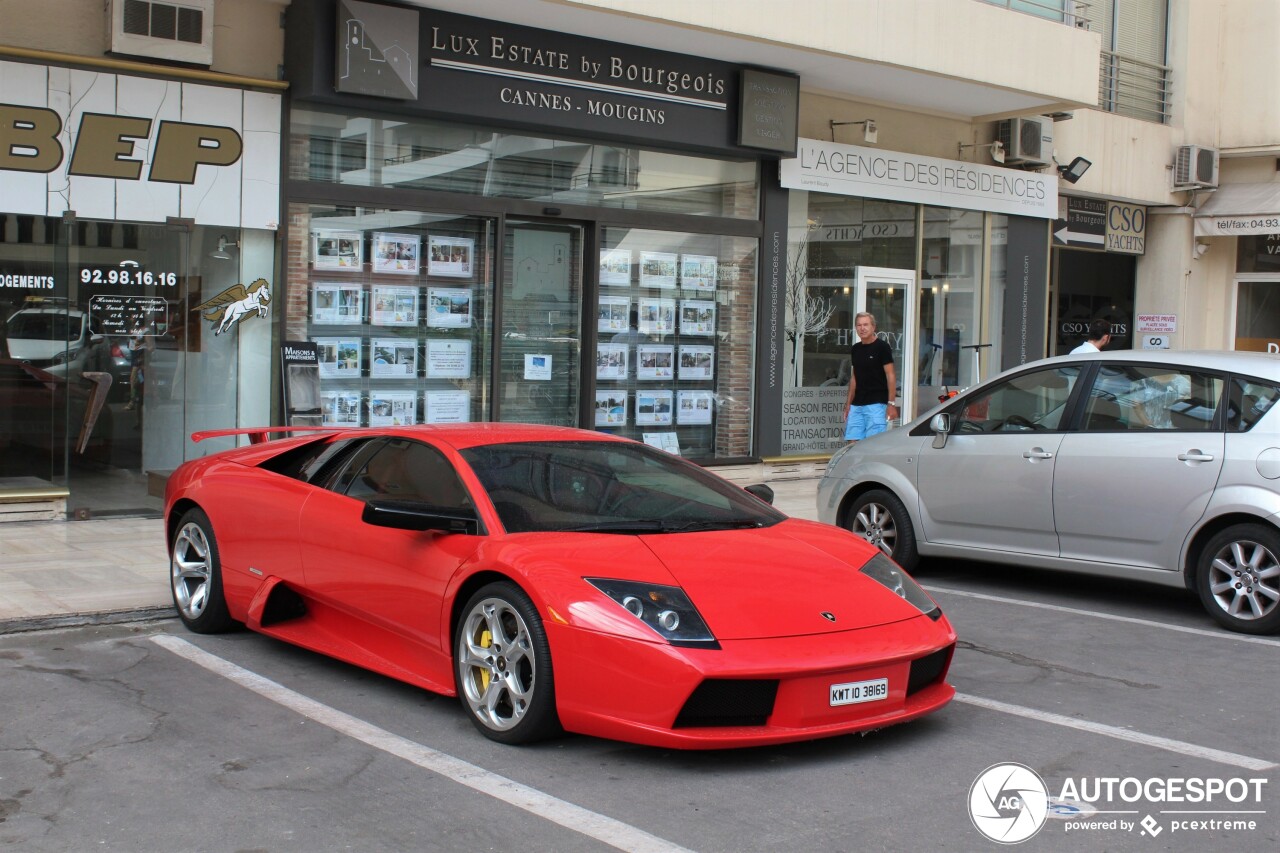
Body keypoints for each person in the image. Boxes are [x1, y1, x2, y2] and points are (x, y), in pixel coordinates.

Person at [844, 312, 897, 442]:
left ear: (873, 327)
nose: (862, 328)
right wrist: (848, 404)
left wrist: (891, 403)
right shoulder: (856, 349)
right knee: (853, 442)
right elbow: (854, 377)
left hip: (876, 404)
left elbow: (890, 375)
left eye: (866, 325)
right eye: (859, 325)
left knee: (873, 443)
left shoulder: (882, 347)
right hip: (857, 404)